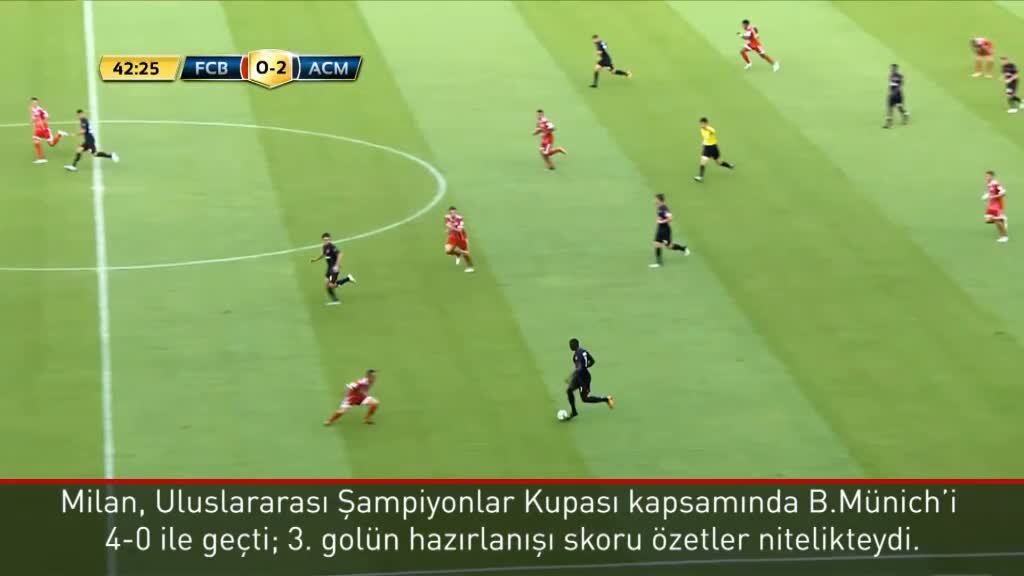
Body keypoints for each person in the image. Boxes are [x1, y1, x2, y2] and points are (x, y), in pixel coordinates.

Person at [564, 338, 613, 420]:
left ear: (574, 345)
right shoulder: (583, 351)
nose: (570, 346)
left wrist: (571, 376)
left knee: (585, 399)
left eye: (571, 345)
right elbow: (592, 361)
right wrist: (584, 367)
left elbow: (579, 368)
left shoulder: (577, 356)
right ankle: (574, 411)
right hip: (580, 376)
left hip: (583, 380)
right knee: (569, 390)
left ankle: (606, 399)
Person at [310, 233, 355, 305]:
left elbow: (340, 254)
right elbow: (323, 255)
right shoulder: (324, 247)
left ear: (330, 239)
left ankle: (347, 279)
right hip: (329, 268)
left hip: (334, 269)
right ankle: (335, 299)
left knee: (330, 285)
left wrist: (337, 265)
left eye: (327, 239)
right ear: (322, 240)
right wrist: (315, 260)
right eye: (325, 239)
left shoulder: (332, 246)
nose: (326, 241)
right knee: (326, 285)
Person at [650, 194, 690, 268]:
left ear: (659, 199)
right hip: (660, 228)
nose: (654, 200)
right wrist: (659, 220)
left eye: (655, 199)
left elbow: (670, 218)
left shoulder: (664, 208)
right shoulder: (659, 206)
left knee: (669, 246)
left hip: (665, 230)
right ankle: (659, 262)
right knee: (656, 243)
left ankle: (684, 248)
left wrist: (661, 221)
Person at [694, 117, 734, 182]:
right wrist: (703, 142)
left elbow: (713, 131)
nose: (701, 125)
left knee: (719, 163)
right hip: (706, 148)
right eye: (700, 124)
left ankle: (729, 166)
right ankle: (700, 177)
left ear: (706, 123)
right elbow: (704, 137)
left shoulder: (710, 129)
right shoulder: (701, 129)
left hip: (713, 148)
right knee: (702, 161)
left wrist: (707, 127)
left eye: (702, 124)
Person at [29, 97, 67, 164]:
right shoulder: (32, 109)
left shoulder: (40, 110)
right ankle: (40, 158)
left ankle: (59, 134)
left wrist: (43, 121)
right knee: (36, 142)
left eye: (35, 102)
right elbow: (33, 117)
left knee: (51, 144)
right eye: (33, 102)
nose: (34, 104)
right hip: (37, 129)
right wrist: (32, 121)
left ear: (37, 103)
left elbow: (47, 116)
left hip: (44, 129)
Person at [444, 206, 475, 272]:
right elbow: (447, 225)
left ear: (456, 212)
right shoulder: (446, 217)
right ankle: (459, 253)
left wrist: (450, 228)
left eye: (454, 212)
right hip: (452, 236)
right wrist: (449, 229)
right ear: (449, 212)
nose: (453, 214)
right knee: (448, 251)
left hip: (460, 236)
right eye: (451, 213)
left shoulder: (460, 218)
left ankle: (470, 267)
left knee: (466, 254)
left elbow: (460, 230)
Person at [982, 171, 1009, 243]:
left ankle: (1004, 236)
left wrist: (991, 197)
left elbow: (1003, 193)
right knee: (988, 220)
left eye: (988, 176)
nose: (986, 177)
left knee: (996, 220)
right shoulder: (989, 183)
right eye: (985, 176)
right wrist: (987, 195)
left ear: (992, 176)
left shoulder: (995, 184)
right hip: (991, 204)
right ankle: (1002, 219)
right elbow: (990, 192)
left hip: (997, 205)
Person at [884, 64, 909, 129]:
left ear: (896, 69)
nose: (892, 69)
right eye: (891, 68)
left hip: (898, 95)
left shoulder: (899, 76)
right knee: (889, 109)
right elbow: (890, 86)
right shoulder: (890, 75)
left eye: (893, 68)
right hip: (891, 95)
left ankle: (905, 115)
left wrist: (894, 93)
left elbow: (899, 86)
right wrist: (889, 92)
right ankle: (888, 124)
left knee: (899, 107)